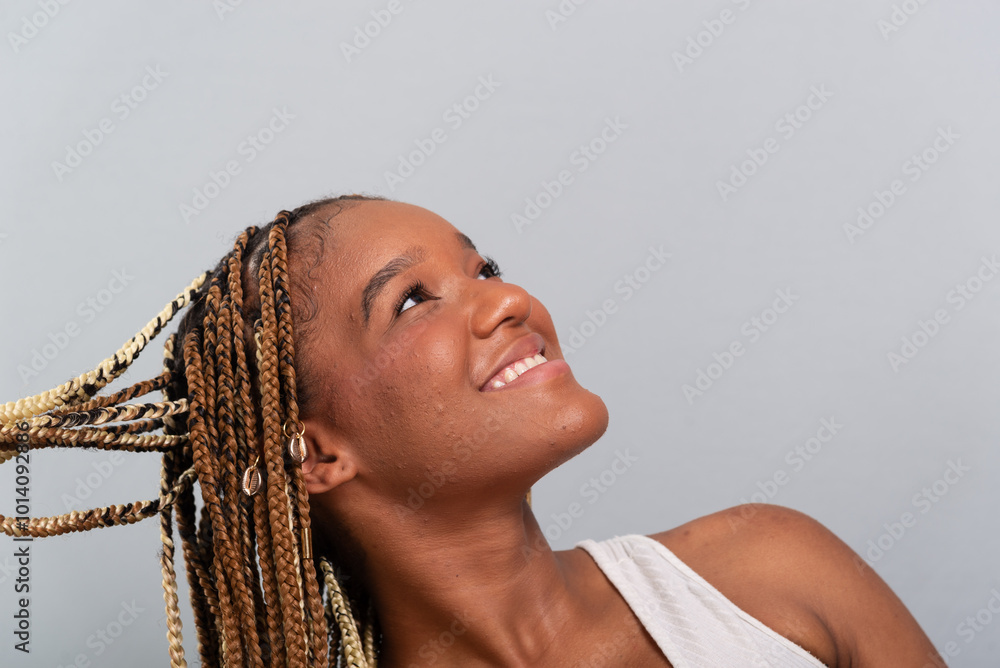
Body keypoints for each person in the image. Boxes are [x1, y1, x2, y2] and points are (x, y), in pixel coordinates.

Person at [1, 194, 944, 667]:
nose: (508, 300)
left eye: (485, 266)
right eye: (413, 301)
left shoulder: (767, 573)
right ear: (318, 452)